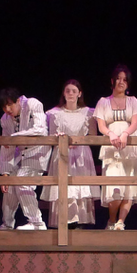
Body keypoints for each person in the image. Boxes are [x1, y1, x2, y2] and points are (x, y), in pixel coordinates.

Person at [94, 65, 137, 231]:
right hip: (111, 145)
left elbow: (135, 123)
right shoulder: (103, 102)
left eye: (125, 79)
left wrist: (124, 134)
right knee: (115, 186)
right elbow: (101, 125)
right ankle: (111, 220)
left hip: (130, 143)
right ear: (112, 81)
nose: (121, 82)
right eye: (118, 78)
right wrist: (110, 134)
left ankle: (120, 222)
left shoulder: (133, 101)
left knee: (129, 185)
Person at [44, 80, 99, 229]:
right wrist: (60, 139)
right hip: (62, 153)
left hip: (81, 154)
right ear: (63, 93)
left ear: (79, 93)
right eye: (67, 90)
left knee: (79, 185)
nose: (70, 93)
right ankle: (64, 222)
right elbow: (49, 136)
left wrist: (79, 141)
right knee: (63, 185)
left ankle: (80, 221)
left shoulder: (89, 113)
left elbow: (93, 135)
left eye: (74, 91)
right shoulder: (54, 113)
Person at [0, 87, 49, 230]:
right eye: (4, 106)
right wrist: (5, 173)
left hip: (37, 151)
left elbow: (41, 129)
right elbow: (6, 146)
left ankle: (37, 223)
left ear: (18, 101)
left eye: (10, 104)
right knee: (9, 186)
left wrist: (13, 137)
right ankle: (7, 224)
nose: (7, 109)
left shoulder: (33, 104)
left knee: (22, 182)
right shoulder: (5, 119)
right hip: (20, 155)